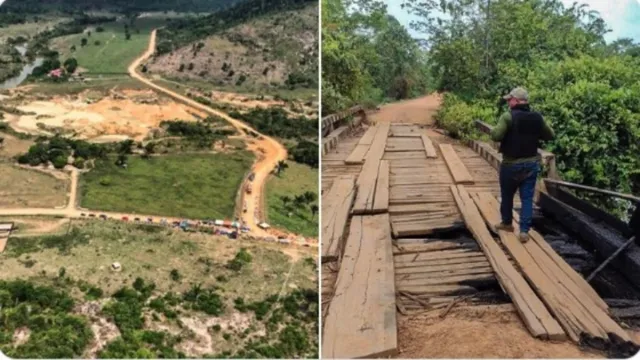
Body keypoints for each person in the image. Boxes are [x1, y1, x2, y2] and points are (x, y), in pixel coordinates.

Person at [490, 87, 554, 243]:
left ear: (517, 101)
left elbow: (496, 135)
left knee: (507, 195)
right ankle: (524, 231)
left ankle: (507, 223)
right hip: (531, 164)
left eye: (509, 99)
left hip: (510, 165)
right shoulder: (537, 118)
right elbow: (550, 135)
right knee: (526, 198)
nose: (507, 102)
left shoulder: (507, 117)